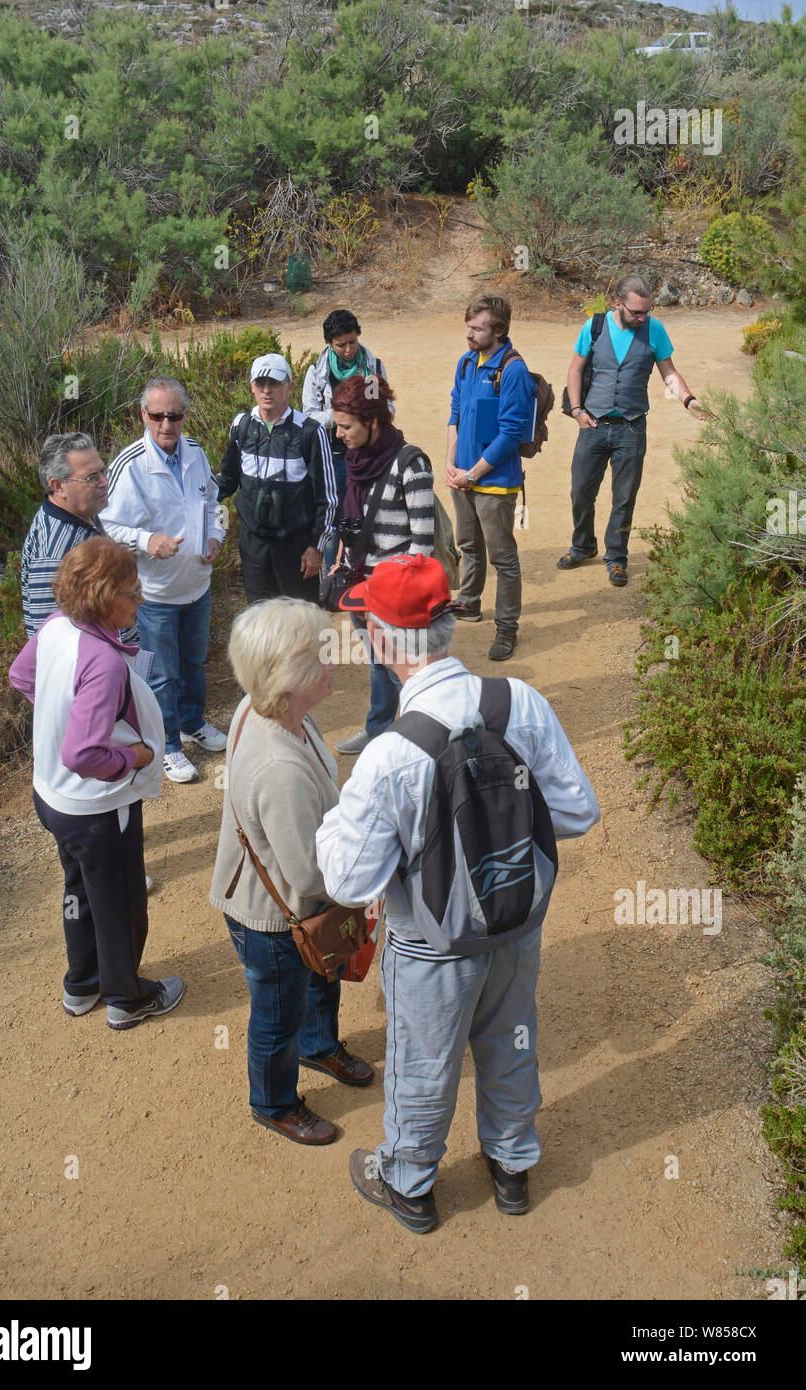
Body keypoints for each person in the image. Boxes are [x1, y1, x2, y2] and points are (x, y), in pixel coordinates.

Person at [316, 554, 600, 1232]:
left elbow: (348, 879)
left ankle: (409, 1183)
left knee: (424, 1061)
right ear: (448, 623)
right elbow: (578, 812)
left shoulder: (392, 753)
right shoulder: (518, 702)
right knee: (511, 1039)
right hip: (516, 923)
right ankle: (512, 1166)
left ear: (382, 641)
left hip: (431, 942)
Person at [209, 597, 374, 1146]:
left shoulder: (267, 706)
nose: (335, 661)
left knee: (321, 976)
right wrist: (371, 875)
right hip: (276, 919)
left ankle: (319, 1046)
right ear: (290, 675)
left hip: (292, 908)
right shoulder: (279, 767)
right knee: (278, 1017)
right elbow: (309, 875)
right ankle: (274, 1103)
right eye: (321, 655)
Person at [8, 537, 184, 1030]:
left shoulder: (56, 627)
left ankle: (81, 984)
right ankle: (127, 998)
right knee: (120, 902)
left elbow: (21, 678)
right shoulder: (104, 662)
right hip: (100, 807)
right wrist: (135, 755)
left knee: (78, 892)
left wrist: (61, 714)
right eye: (133, 592)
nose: (141, 600)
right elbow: (83, 753)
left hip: (53, 796)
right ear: (107, 597)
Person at [100, 375, 226, 785]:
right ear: (144, 414)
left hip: (197, 585)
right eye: (157, 416)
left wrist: (216, 537)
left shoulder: (196, 453)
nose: (166, 425)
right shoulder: (130, 464)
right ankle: (167, 744)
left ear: (186, 415)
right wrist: (146, 540)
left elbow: (211, 503)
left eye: (174, 416)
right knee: (162, 674)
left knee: (194, 663)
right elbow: (107, 523)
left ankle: (192, 723)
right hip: (154, 594)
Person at [557, 273, 708, 587]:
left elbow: (669, 372)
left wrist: (688, 400)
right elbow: (576, 368)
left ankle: (616, 557)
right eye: (636, 312)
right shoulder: (594, 326)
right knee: (581, 492)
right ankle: (583, 545)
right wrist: (576, 410)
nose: (642, 317)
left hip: (632, 428)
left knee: (624, 498)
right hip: (593, 425)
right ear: (618, 304)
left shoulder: (655, 330)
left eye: (646, 312)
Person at [328, 374, 435, 757]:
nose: (339, 434)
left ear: (373, 421)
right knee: (377, 662)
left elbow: (424, 545)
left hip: (395, 593)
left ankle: (425, 735)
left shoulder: (411, 464)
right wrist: (343, 555)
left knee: (406, 667)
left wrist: (397, 591)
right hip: (361, 586)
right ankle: (379, 731)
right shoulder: (355, 461)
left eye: (346, 426)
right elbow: (353, 520)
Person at [445, 293, 537, 663]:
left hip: (494, 483)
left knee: (503, 557)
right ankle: (468, 602)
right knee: (468, 544)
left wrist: (473, 473)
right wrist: (451, 466)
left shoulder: (513, 370)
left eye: (477, 328)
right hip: (462, 477)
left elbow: (512, 433)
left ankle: (507, 628)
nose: (469, 334)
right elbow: (454, 412)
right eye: (468, 326)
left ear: (498, 331)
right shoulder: (467, 362)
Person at [217, 353, 337, 607]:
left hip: (297, 550)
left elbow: (327, 498)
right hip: (254, 549)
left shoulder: (310, 432)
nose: (267, 390)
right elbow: (226, 481)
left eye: (274, 383)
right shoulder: (242, 426)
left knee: (300, 624)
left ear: (290, 387)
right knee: (260, 624)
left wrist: (316, 548)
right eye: (260, 383)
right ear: (251, 387)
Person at [20, 432, 135, 643]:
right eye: (91, 477)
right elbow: (47, 640)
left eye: (103, 472)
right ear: (58, 486)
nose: (104, 482)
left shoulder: (85, 513)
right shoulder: (52, 553)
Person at [302, 310, 387, 571]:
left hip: (367, 455)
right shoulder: (318, 372)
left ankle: (364, 572)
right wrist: (343, 416)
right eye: (341, 345)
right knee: (333, 519)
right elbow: (309, 417)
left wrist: (366, 416)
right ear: (330, 343)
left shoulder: (372, 369)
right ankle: (333, 576)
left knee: (367, 513)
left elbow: (384, 408)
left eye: (353, 341)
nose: (349, 349)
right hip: (331, 457)